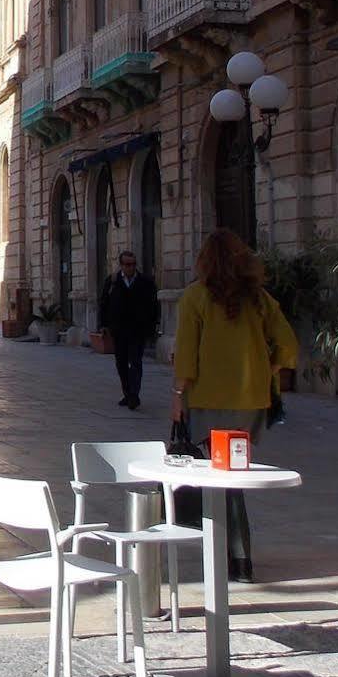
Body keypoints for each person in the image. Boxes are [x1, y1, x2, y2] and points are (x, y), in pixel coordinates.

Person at [172, 229, 297, 582]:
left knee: (222, 481)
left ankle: (236, 556)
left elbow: (186, 356)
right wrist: (265, 368)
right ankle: (235, 554)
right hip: (250, 402)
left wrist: (177, 396)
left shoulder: (194, 297)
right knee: (232, 477)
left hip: (209, 401)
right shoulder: (258, 299)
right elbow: (288, 346)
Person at [99, 249, 160, 410]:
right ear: (121, 265)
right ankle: (127, 392)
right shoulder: (112, 281)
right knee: (121, 363)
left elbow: (154, 306)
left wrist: (153, 327)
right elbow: (103, 304)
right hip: (118, 330)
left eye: (133, 265)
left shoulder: (145, 282)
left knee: (136, 362)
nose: (130, 268)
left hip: (137, 330)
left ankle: (134, 395)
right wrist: (103, 325)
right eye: (127, 265)